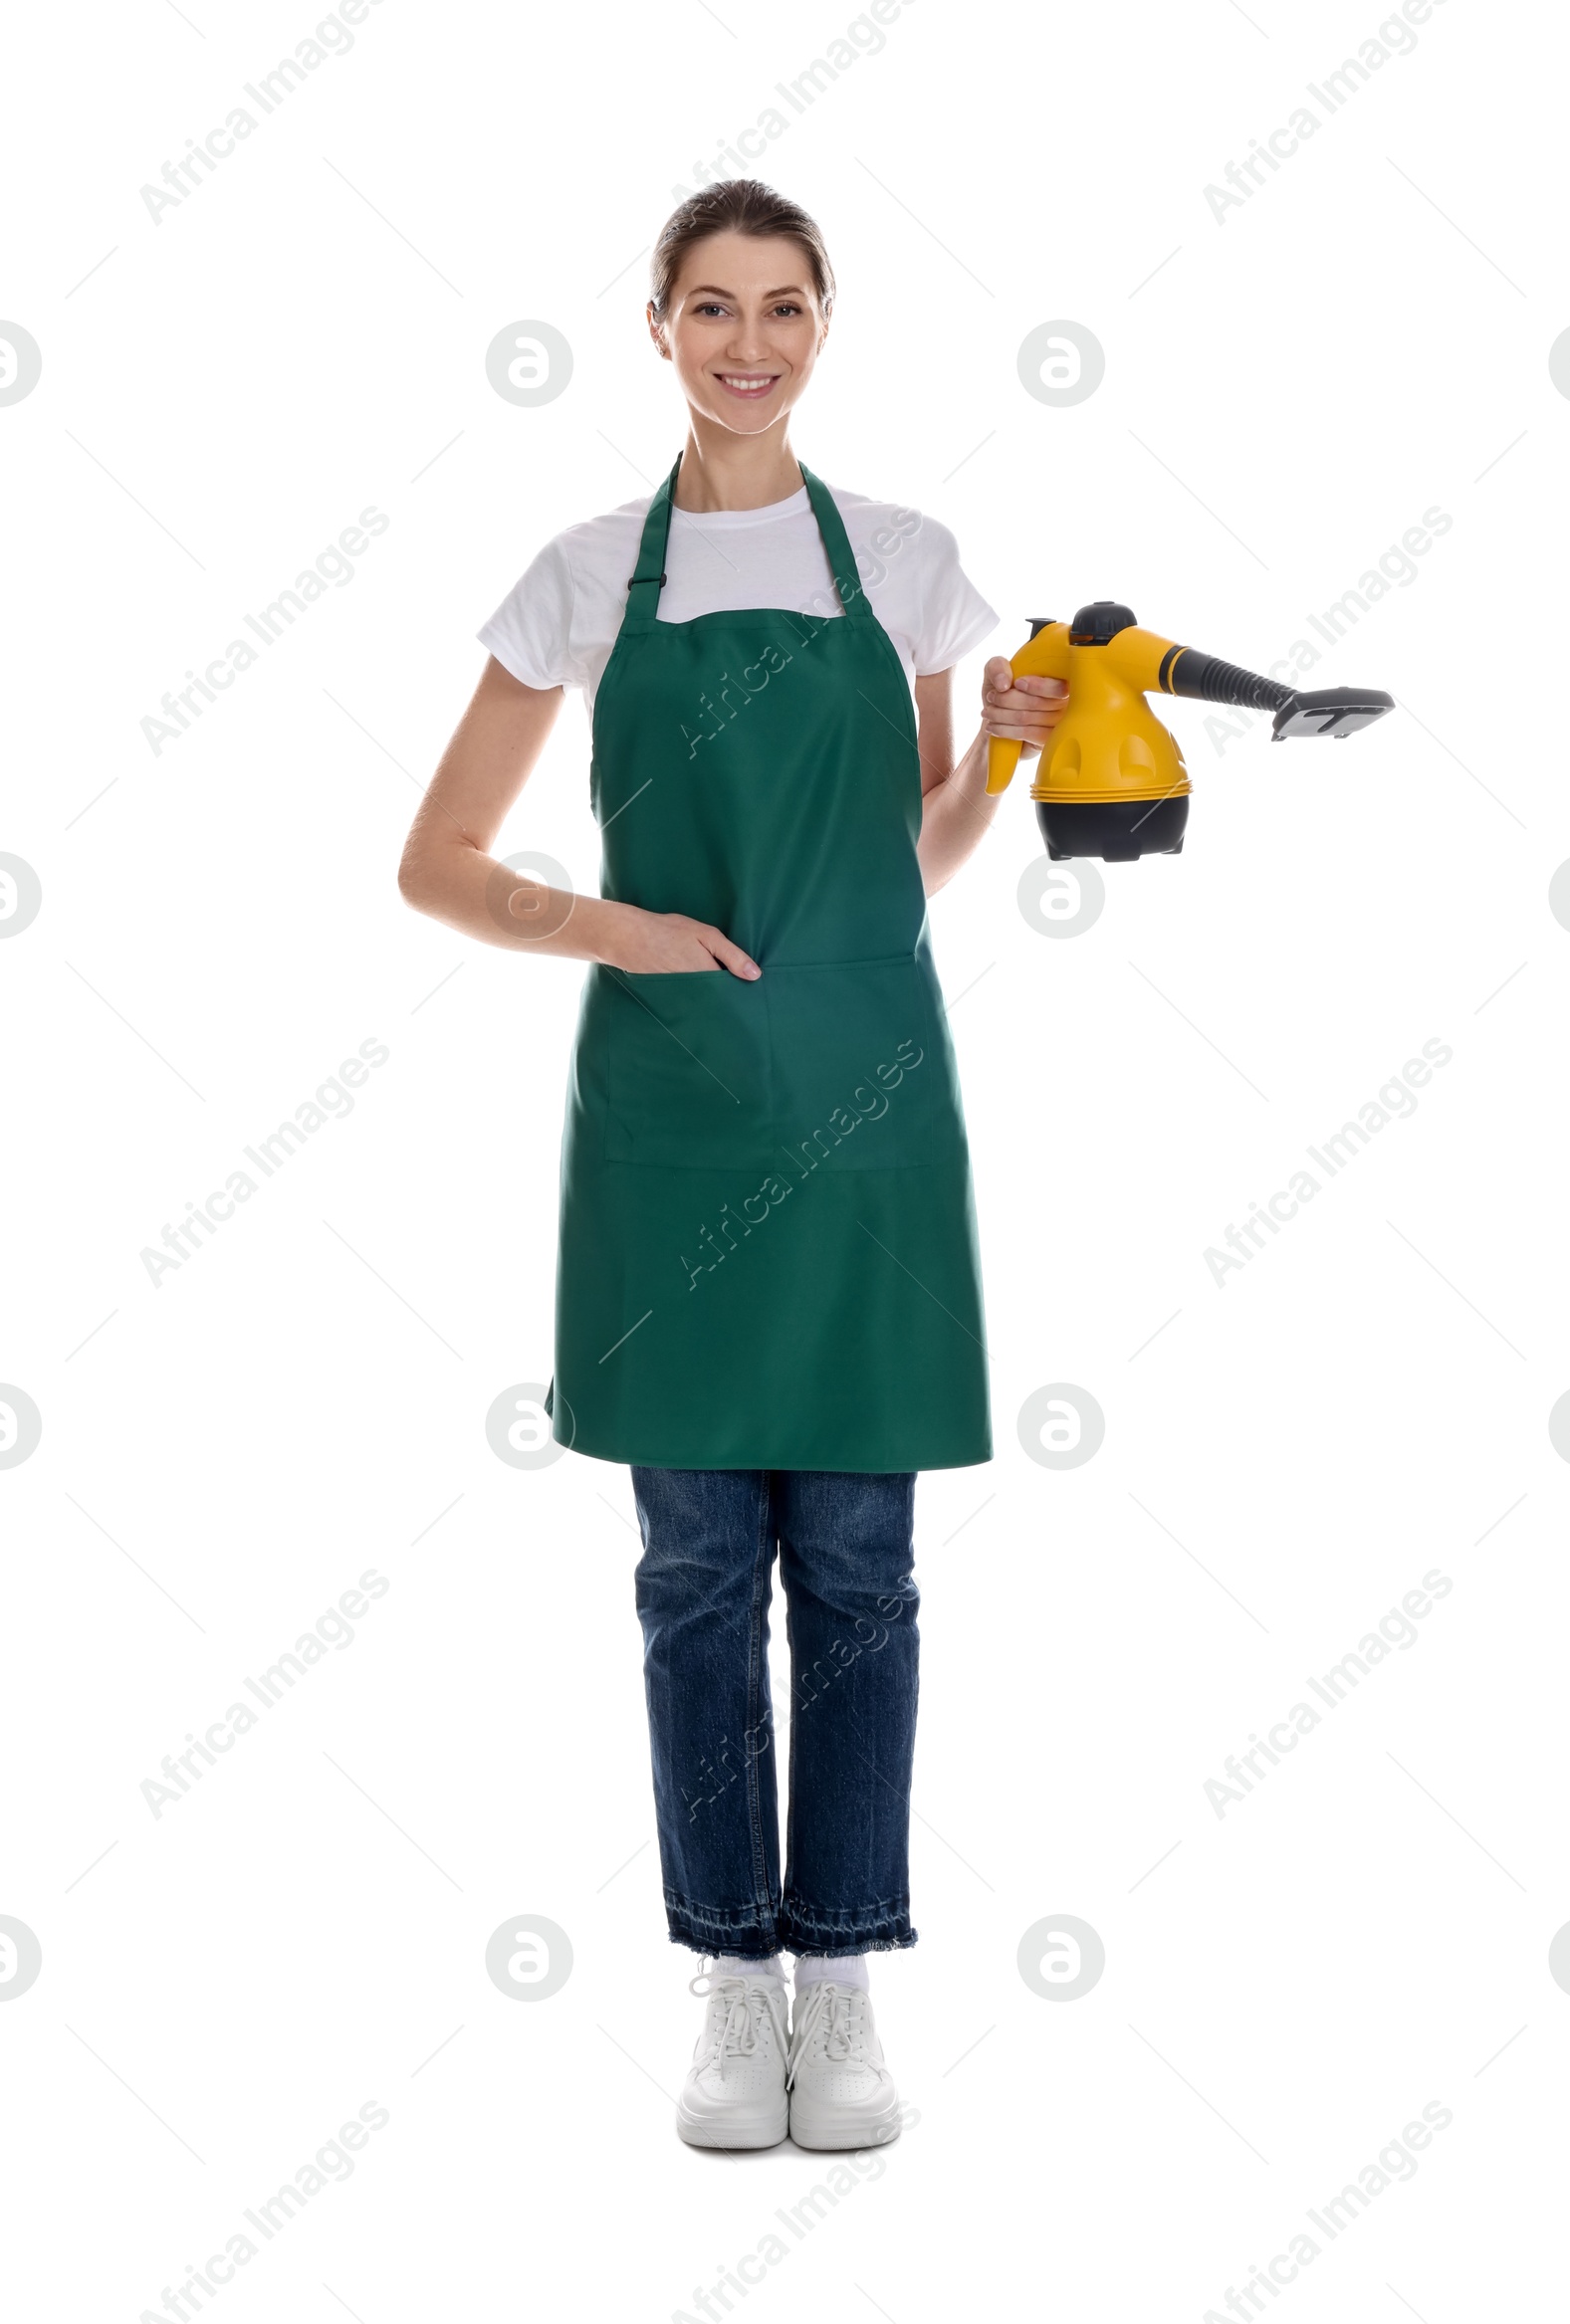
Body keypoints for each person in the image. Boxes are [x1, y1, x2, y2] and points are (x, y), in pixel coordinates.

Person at [397, 178, 1065, 2150]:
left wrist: (1007, 755)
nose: (746, 340)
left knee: (857, 1566)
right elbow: (435, 862)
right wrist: (633, 935)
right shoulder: (585, 572)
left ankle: (840, 1973)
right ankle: (726, 1978)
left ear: (823, 324)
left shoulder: (917, 570)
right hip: (672, 1124)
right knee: (696, 1570)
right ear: (660, 328)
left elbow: (902, 874)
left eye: (781, 305)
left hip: (863, 1112)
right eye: (710, 306)